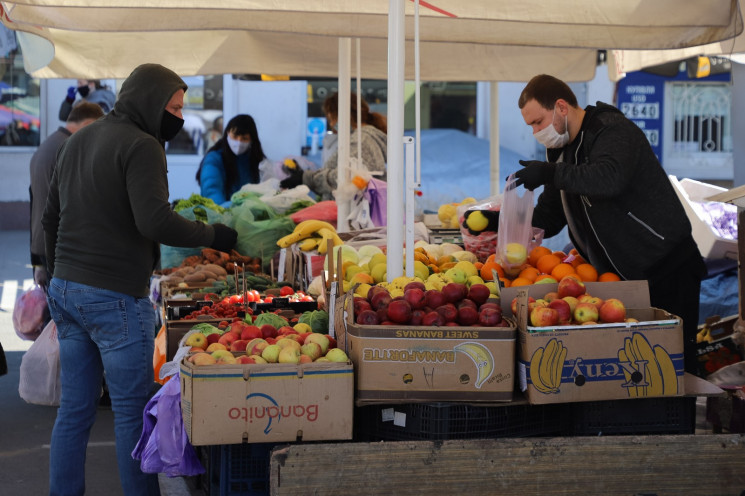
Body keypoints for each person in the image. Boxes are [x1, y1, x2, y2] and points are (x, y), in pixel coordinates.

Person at [42, 63, 237, 496]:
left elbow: (49, 217)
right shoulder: (143, 144)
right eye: (173, 107)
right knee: (132, 413)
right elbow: (155, 221)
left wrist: (59, 277)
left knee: (74, 411)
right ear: (150, 101)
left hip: (68, 291)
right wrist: (214, 235)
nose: (180, 118)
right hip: (114, 295)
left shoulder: (80, 139)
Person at [513, 74, 706, 375]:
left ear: (561, 107)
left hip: (667, 265)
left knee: (675, 365)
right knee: (639, 367)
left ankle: (676, 422)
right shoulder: (562, 151)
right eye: (532, 127)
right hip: (622, 279)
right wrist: (501, 222)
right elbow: (548, 219)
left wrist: (551, 173)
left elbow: (608, 179)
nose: (537, 132)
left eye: (538, 122)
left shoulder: (611, 129)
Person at [29, 102, 104, 290]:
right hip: (61, 250)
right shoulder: (69, 147)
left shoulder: (48, 144)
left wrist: (36, 260)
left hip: (46, 245)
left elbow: (34, 202)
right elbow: (80, 201)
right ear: (88, 125)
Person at [280, 92, 387, 201]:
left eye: (332, 119)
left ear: (345, 114)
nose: (331, 125)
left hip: (355, 214)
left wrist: (307, 178)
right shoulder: (360, 138)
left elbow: (345, 178)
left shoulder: (362, 140)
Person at [195, 113, 271, 205]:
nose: (239, 142)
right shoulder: (214, 159)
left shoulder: (256, 160)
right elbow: (211, 190)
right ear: (227, 134)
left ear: (252, 140)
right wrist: (227, 210)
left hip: (248, 213)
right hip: (220, 214)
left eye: (244, 138)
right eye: (235, 137)